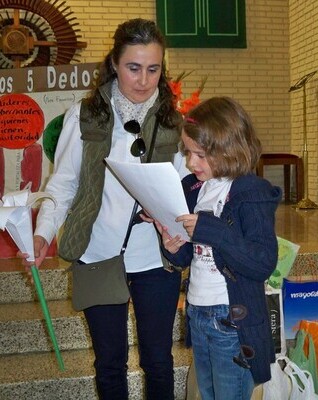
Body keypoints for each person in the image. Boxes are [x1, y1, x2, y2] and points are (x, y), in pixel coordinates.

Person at [18, 18, 182, 400]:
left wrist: (174, 217)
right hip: (98, 252)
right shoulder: (85, 115)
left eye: (153, 69)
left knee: (158, 360)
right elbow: (64, 182)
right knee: (109, 363)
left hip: (157, 259)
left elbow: (186, 191)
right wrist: (42, 232)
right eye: (133, 68)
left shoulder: (176, 122)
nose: (143, 80)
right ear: (114, 64)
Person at [154, 96, 282, 399]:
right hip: (198, 312)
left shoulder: (251, 192)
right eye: (188, 152)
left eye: (199, 154)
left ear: (228, 150)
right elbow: (191, 256)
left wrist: (209, 229)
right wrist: (174, 246)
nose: (189, 162)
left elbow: (262, 261)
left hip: (231, 319)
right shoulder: (198, 188)